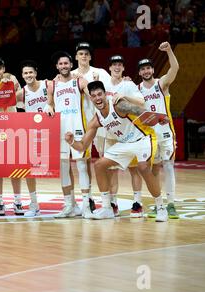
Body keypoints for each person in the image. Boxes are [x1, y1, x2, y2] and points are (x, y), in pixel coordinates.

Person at [65, 80, 170, 222]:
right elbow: (82, 146)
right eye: (94, 96)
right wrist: (71, 141)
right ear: (91, 98)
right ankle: (107, 208)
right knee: (99, 165)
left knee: (143, 167)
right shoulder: (97, 119)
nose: (98, 98)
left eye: (100, 94)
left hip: (143, 139)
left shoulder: (118, 105)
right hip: (125, 143)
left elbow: (138, 109)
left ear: (105, 94)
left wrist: (159, 117)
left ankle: (161, 208)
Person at [46, 51, 92, 219]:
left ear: (71, 64)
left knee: (81, 166)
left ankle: (86, 206)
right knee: (64, 168)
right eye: (61, 64)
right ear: (57, 66)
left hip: (78, 128)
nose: (64, 66)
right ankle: (69, 206)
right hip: (60, 129)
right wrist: (49, 108)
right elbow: (49, 104)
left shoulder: (80, 81)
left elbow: (92, 95)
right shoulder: (52, 84)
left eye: (66, 63)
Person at [138, 41, 180, 219]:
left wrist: (169, 50)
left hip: (165, 134)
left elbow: (175, 69)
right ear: (139, 72)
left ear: (152, 70)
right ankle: (159, 203)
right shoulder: (137, 90)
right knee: (153, 170)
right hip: (149, 136)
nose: (146, 71)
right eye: (143, 69)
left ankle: (171, 204)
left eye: (149, 68)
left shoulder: (162, 84)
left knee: (168, 166)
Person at [104, 55, 146, 217]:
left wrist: (125, 97)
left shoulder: (128, 84)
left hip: (129, 134)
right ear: (109, 68)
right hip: (111, 133)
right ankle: (113, 203)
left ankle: (137, 203)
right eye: (114, 64)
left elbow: (141, 102)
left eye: (120, 65)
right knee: (111, 170)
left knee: (134, 169)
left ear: (123, 68)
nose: (116, 67)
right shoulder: (104, 83)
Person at [71, 42, 111, 211]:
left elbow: (110, 91)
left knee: (105, 160)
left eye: (87, 53)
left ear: (90, 56)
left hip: (101, 121)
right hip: (80, 123)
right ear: (76, 56)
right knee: (82, 162)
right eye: (81, 53)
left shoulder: (100, 73)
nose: (84, 56)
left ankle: (109, 201)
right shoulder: (69, 74)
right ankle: (88, 199)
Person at [0, 56, 26, 216]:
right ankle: (0, 202)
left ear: (4, 69)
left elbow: (23, 97)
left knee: (15, 167)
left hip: (12, 129)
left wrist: (15, 88)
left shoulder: (12, 80)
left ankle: (17, 201)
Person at [15, 60, 47, 217]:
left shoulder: (48, 85)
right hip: (34, 133)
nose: (28, 75)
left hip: (51, 130)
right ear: (22, 75)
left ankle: (71, 202)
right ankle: (34, 204)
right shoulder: (22, 93)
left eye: (30, 72)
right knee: (30, 170)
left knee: (63, 166)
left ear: (36, 72)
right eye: (25, 73)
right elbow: (2, 101)